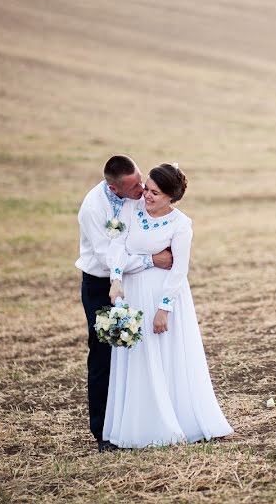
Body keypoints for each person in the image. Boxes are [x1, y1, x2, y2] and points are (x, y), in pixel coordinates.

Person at [103, 162, 233, 447]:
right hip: (132, 293)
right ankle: (137, 425)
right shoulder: (131, 209)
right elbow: (117, 247)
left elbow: (179, 270)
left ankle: (178, 421)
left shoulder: (180, 225)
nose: (147, 196)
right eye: (147, 189)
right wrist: (115, 280)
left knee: (166, 357)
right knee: (136, 357)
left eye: (155, 193)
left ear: (171, 197)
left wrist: (164, 309)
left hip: (164, 297)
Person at [76, 155, 173, 452]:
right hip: (100, 285)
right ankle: (103, 430)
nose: (142, 189)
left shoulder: (137, 195)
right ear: (114, 188)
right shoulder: (93, 208)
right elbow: (110, 258)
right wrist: (152, 259)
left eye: (141, 179)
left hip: (136, 283)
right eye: (134, 186)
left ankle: (136, 421)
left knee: (137, 353)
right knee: (105, 352)